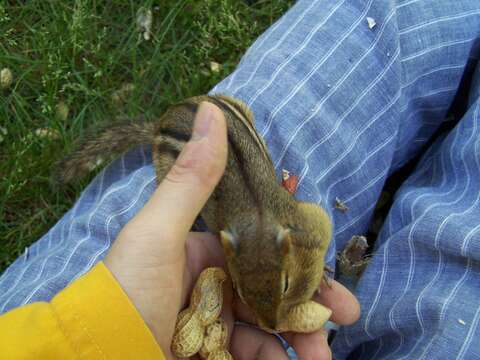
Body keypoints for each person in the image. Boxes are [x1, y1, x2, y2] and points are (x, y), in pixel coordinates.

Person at [1, 0, 480, 358]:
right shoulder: (232, 233)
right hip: (193, 166)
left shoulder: (292, 226)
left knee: (377, 22)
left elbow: (311, 222)